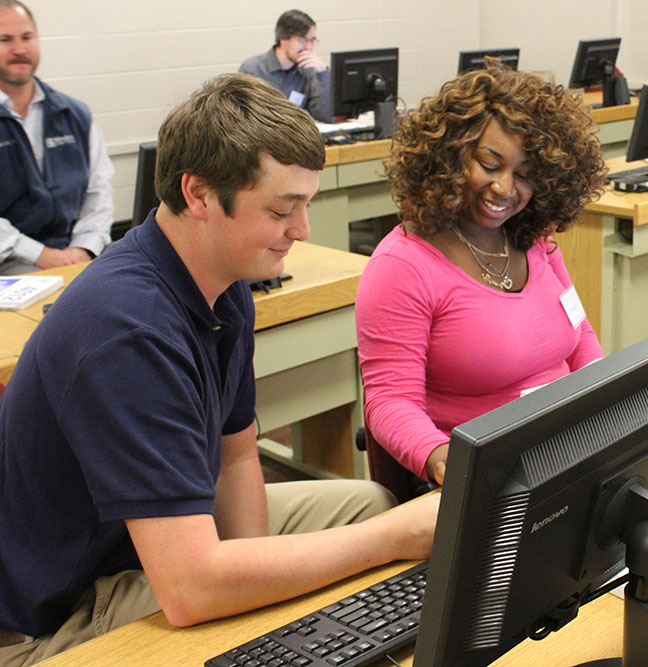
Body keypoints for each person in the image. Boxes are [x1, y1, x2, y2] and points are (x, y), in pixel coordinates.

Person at [0, 73, 438, 666]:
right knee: (390, 533)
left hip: (139, 547)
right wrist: (393, 541)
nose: (302, 231)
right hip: (56, 617)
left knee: (371, 504)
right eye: (283, 209)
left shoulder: (223, 283)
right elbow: (189, 589)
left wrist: (264, 598)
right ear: (200, 195)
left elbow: (235, 459)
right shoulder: (125, 330)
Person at [355, 60, 606, 486]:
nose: (506, 189)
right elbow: (390, 401)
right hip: (483, 473)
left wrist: (608, 409)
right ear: (450, 158)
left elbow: (580, 337)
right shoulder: (402, 267)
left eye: (525, 175)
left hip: (562, 450)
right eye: (490, 166)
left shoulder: (534, 239)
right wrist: (439, 457)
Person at [0, 0, 113, 275]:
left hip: (75, 257)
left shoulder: (73, 113)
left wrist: (84, 248)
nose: (19, 50)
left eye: (27, 38)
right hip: (9, 264)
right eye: (5, 40)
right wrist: (41, 255)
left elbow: (99, 193)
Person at [238, 9, 331, 122]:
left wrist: (323, 74)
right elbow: (243, 119)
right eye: (302, 40)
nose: (309, 47)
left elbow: (325, 116)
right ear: (283, 38)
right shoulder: (252, 69)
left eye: (312, 40)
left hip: (297, 136)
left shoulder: (308, 70)